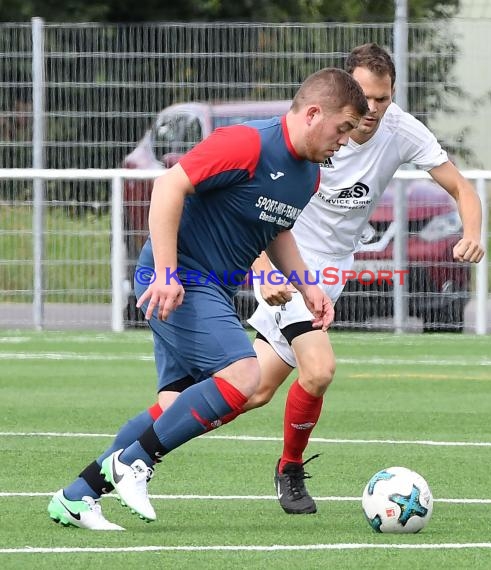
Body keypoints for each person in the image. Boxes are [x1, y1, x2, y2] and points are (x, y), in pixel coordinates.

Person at [47, 67, 369, 530]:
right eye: (342, 129)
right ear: (314, 114)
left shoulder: (310, 176)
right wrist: (165, 271)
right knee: (244, 374)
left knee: (172, 406)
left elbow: (275, 230)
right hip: (180, 281)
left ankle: (77, 496)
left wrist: (307, 285)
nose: (344, 142)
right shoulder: (248, 143)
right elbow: (168, 186)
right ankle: (134, 463)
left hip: (209, 287)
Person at [242, 42, 486, 515]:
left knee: (254, 389)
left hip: (331, 270)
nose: (373, 110)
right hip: (284, 256)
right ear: (347, 91)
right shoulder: (313, 129)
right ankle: (289, 469)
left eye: (384, 98)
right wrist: (261, 265)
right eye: (366, 98)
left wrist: (472, 232)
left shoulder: (400, 130)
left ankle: (158, 431)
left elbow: (461, 186)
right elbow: (253, 204)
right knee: (319, 369)